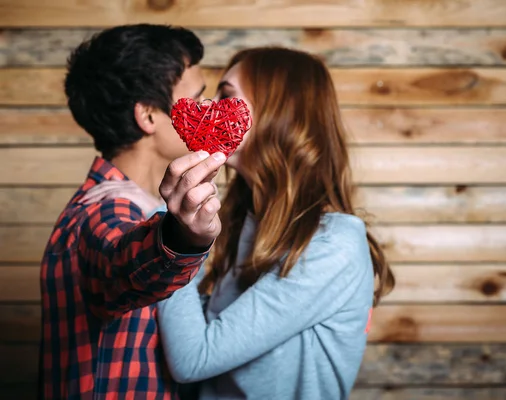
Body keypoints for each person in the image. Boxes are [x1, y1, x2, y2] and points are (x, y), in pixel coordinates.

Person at [86, 46, 396, 399]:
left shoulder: (333, 244)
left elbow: (194, 358)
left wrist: (165, 222)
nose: (207, 106)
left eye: (226, 95)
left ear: (280, 112)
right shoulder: (248, 222)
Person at [38, 24, 226, 399]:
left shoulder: (124, 202)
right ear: (149, 116)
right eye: (198, 98)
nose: (211, 111)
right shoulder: (102, 211)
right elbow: (123, 263)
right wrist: (182, 237)